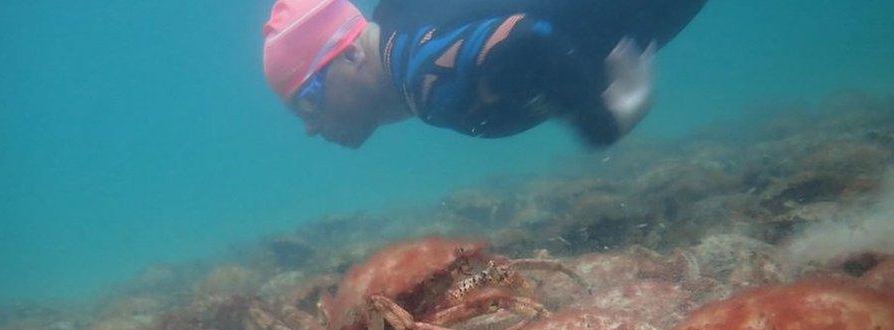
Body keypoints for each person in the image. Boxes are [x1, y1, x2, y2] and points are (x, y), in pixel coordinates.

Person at [263, 0, 707, 148]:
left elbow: (527, 40)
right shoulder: (402, 17)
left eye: (308, 100)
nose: (309, 127)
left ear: (352, 56)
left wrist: (604, 122)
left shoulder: (424, 79)